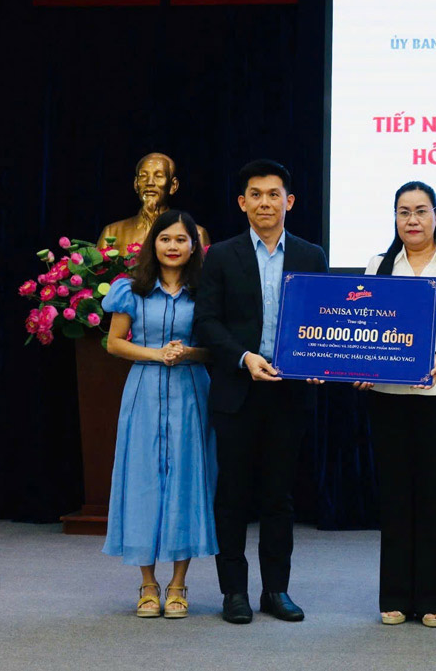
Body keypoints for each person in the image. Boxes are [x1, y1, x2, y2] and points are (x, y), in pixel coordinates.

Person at [194, 159, 328, 625]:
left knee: (278, 498)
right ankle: (234, 593)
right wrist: (244, 358)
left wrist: (320, 361)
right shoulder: (221, 255)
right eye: (256, 194)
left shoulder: (312, 255)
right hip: (236, 391)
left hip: (289, 395)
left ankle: (276, 590)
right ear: (242, 202)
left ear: (289, 202)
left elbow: (325, 323)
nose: (265, 202)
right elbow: (206, 321)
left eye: (274, 194)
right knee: (231, 496)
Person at [356, 181, 436, 628]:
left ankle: (432, 600)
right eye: (403, 212)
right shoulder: (379, 265)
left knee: (431, 499)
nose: (412, 220)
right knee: (394, 497)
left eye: (420, 211)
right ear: (395, 217)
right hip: (387, 397)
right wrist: (360, 364)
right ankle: (393, 597)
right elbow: (365, 326)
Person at [102, 209, 217, 619]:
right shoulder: (130, 288)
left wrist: (188, 353)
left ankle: (179, 583)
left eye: (181, 240)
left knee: (187, 481)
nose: (172, 246)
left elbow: (215, 349)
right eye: (165, 238)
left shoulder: (206, 290)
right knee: (143, 481)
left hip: (191, 391)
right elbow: (114, 343)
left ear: (194, 246)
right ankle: (148, 584)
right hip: (143, 392)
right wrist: (157, 354)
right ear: (154, 243)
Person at [97, 152, 210, 254]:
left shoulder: (196, 234)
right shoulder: (112, 233)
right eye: (143, 176)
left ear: (173, 186)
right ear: (136, 184)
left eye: (158, 176)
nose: (149, 183)